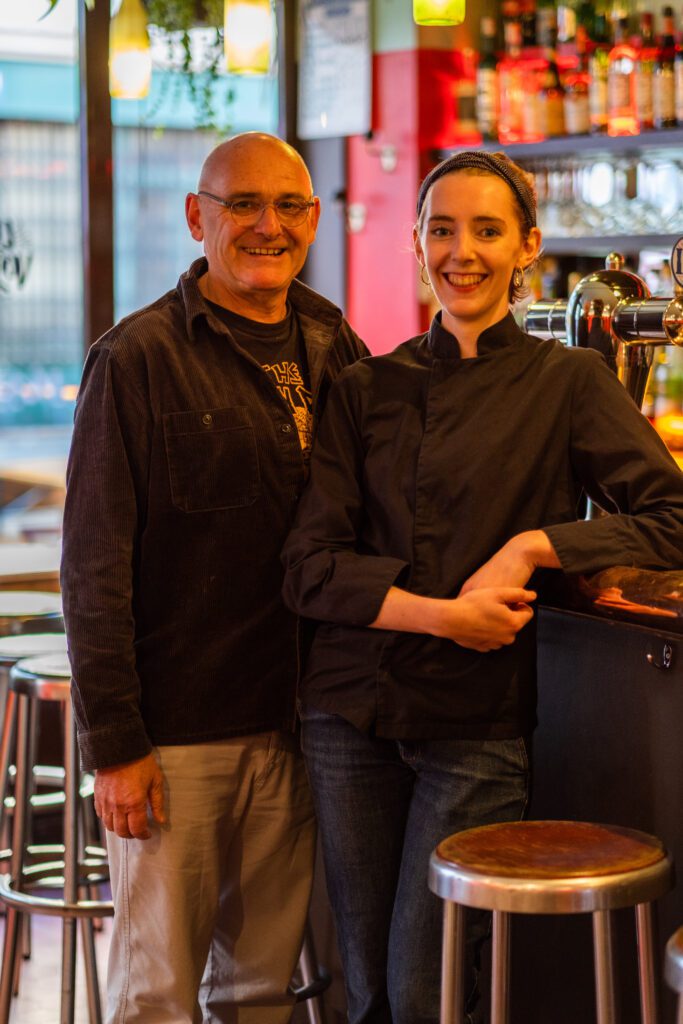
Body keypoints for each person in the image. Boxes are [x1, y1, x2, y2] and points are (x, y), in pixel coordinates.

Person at [281, 150, 683, 1024]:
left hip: (474, 724)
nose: (461, 251)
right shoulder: (361, 387)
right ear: (416, 246)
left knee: (427, 986)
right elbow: (309, 567)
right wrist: (445, 614)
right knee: (367, 986)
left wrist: (534, 546)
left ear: (527, 247)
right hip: (347, 713)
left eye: (487, 230)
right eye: (442, 229)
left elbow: (670, 516)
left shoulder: (566, 382)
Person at [60, 132, 367, 1024]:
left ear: (312, 219)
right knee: (157, 994)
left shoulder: (333, 339)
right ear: (198, 217)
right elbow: (92, 566)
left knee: (259, 991)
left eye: (288, 207)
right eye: (243, 205)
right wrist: (114, 745)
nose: (267, 226)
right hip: (176, 738)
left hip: (302, 724)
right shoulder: (136, 359)